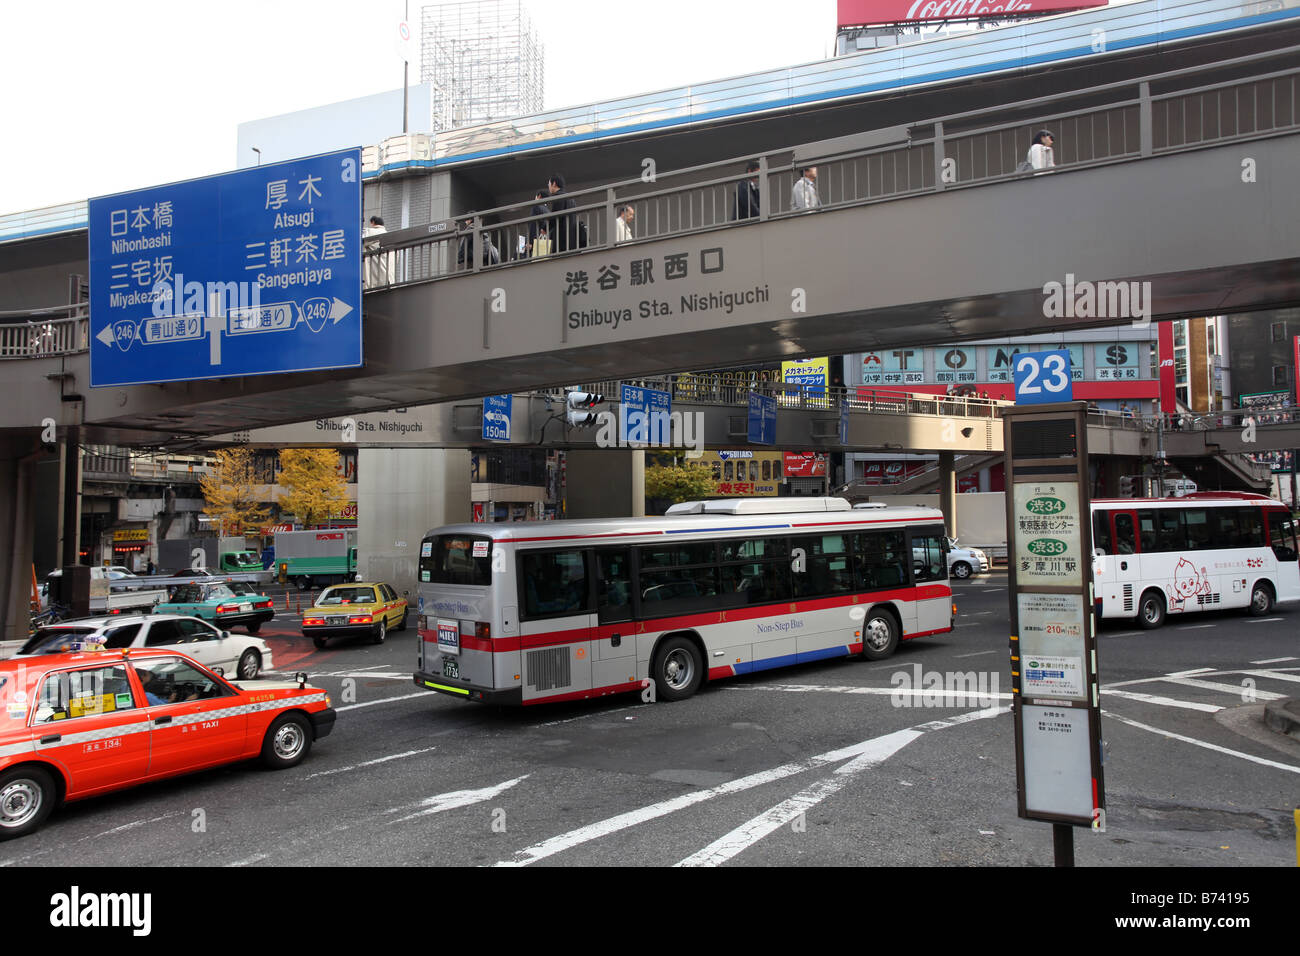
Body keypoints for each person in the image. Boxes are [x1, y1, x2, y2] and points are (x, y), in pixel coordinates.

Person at [546, 175, 577, 252]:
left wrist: (545, 228)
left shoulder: (558, 197)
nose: (548, 186)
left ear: (554, 184)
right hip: (571, 237)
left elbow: (555, 216)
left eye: (549, 184)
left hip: (561, 237)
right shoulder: (571, 198)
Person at [363, 215, 389, 287]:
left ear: (373, 222)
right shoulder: (389, 235)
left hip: (375, 275)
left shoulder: (371, 231)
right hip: (389, 277)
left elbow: (360, 241)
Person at [527, 191, 550, 257]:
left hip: (536, 241)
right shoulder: (548, 211)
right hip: (545, 241)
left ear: (539, 196)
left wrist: (530, 242)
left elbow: (533, 226)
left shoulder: (536, 206)